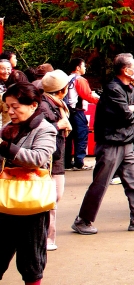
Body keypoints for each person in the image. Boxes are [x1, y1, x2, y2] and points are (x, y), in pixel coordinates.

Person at [72, 53, 134, 234]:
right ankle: (83, 220)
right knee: (101, 183)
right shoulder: (113, 89)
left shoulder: (130, 89)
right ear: (126, 70)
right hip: (110, 142)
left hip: (125, 141)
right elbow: (125, 115)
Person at [0, 83, 57, 284]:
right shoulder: (7, 128)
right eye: (8, 107)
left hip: (31, 204)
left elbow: (38, 158)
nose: (11, 112)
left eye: (15, 107)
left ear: (33, 105)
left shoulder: (45, 129)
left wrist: (5, 148)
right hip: (4, 200)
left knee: (31, 261)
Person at [39, 70, 71, 251]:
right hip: (49, 157)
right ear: (61, 90)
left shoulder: (56, 104)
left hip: (56, 156)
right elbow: (38, 129)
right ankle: (45, 238)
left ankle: (47, 237)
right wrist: (58, 125)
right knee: (51, 198)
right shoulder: (44, 106)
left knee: (55, 196)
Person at [63, 58, 98, 171]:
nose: (85, 68)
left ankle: (67, 162)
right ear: (78, 68)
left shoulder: (66, 79)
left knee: (68, 137)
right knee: (81, 136)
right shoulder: (80, 80)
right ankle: (79, 162)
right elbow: (87, 95)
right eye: (84, 66)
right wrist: (101, 101)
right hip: (77, 112)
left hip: (66, 111)